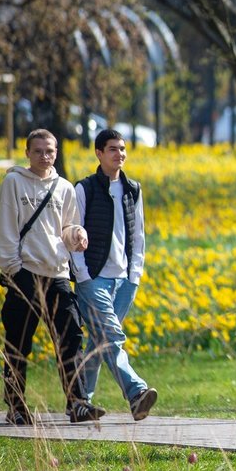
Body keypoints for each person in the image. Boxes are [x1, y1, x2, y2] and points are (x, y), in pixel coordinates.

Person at [0, 129, 106, 425]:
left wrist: (77, 235)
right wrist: (14, 270)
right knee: (19, 343)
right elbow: (4, 232)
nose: (45, 156)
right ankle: (16, 406)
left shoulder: (64, 187)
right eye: (39, 151)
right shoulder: (13, 183)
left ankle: (78, 403)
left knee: (71, 338)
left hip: (57, 274)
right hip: (25, 273)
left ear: (56, 152)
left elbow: (67, 228)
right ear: (28, 153)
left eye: (50, 151)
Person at [72, 129, 158, 421]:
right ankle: (136, 393)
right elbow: (73, 233)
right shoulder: (84, 189)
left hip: (125, 280)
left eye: (122, 149)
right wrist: (81, 274)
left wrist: (135, 274)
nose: (119, 154)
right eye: (112, 149)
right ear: (98, 153)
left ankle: (79, 401)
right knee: (111, 336)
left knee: (98, 340)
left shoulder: (133, 189)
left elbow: (139, 234)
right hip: (93, 278)